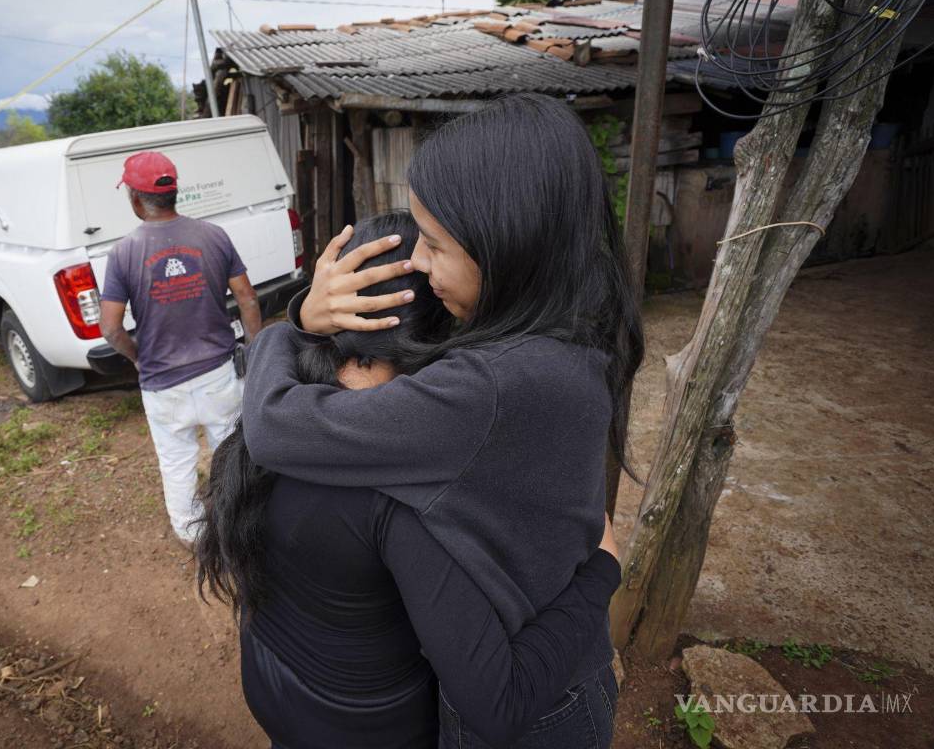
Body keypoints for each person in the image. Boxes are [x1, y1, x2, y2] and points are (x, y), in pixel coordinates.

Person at [241, 93, 644, 747]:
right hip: (567, 674)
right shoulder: (574, 326)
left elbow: (272, 426)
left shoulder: (483, 391)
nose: (422, 267)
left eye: (434, 244)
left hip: (536, 707)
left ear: (507, 244)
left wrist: (292, 326)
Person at [99, 151, 262, 548]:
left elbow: (110, 327)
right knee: (232, 451)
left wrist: (140, 358)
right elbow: (248, 299)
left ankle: (195, 538)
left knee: (176, 463)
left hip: (163, 385)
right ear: (175, 193)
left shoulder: (123, 253)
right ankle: (239, 525)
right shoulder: (213, 236)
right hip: (219, 374)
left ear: (135, 199)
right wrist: (252, 351)